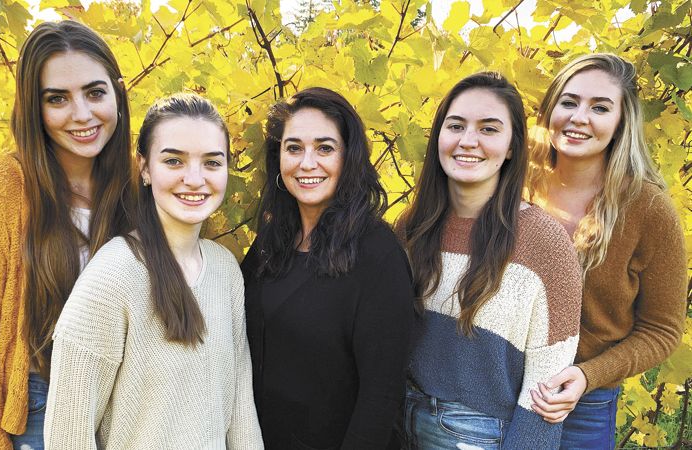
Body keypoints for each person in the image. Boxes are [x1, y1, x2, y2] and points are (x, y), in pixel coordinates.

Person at [0, 20, 133, 450]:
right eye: (57, 99)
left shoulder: (143, 185)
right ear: (34, 107)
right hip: (39, 410)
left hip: (135, 410)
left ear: (118, 92)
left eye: (95, 92)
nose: (81, 114)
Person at [44, 93, 263, 449]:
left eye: (211, 163)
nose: (195, 179)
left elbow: (240, 409)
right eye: (174, 161)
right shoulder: (114, 275)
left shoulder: (225, 270)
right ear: (145, 168)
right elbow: (67, 437)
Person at [397, 72, 582, 449]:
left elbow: (545, 392)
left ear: (512, 146)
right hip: (399, 422)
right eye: (456, 125)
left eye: (489, 128)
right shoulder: (412, 228)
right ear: (439, 138)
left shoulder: (543, 242)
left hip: (479, 436)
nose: (468, 141)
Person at [241, 87, 416, 449]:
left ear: (348, 158)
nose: (307, 163)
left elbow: (380, 398)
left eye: (325, 148)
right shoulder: (269, 244)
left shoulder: (378, 256)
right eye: (294, 148)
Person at [526, 53, 686, 449]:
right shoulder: (514, 181)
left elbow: (662, 329)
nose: (580, 117)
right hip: (492, 383)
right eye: (569, 102)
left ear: (620, 123)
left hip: (583, 404)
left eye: (600, 107)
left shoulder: (647, 209)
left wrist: (588, 375)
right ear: (549, 110)